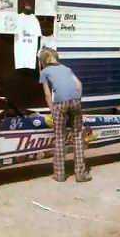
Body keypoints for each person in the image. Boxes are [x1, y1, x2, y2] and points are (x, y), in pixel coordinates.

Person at [39, 48, 91, 182]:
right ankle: (80, 173)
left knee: (60, 137)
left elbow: (47, 94)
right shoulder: (67, 69)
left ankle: (60, 174)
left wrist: (52, 109)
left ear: (43, 61)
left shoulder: (44, 72)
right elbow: (79, 84)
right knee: (78, 135)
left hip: (60, 104)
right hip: (75, 101)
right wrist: (77, 100)